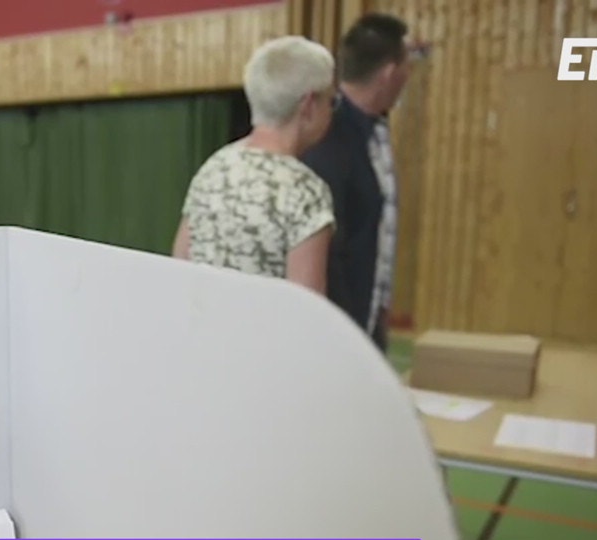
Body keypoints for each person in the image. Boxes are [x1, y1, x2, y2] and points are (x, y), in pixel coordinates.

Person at [172, 36, 337, 295]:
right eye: (331, 101)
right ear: (308, 106)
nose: (331, 112)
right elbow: (307, 306)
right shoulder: (305, 191)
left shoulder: (214, 168)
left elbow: (179, 265)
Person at [300, 13, 415, 352]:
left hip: (368, 315)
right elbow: (326, 251)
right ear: (390, 73)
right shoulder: (329, 137)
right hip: (340, 329)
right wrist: (345, 333)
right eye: (407, 66)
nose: (409, 76)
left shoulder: (375, 131)